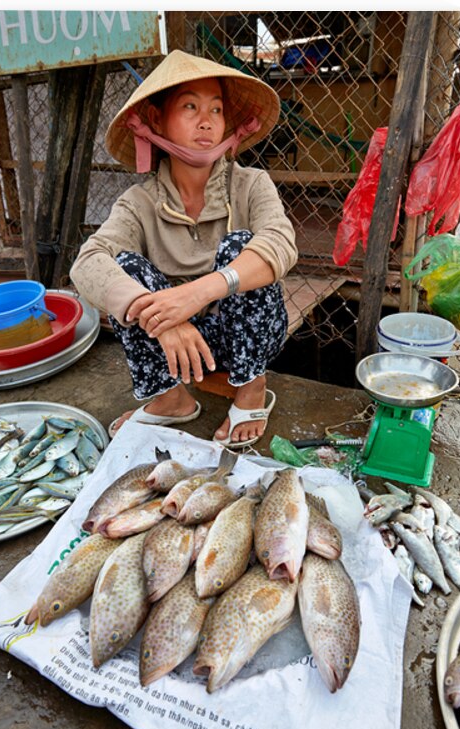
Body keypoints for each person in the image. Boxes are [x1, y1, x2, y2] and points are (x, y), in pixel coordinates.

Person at [70, 49, 298, 448]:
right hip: (176, 346)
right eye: (189, 106)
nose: (206, 121)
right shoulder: (138, 203)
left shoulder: (251, 184)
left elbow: (280, 242)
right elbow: (87, 264)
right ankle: (170, 398)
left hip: (247, 338)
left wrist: (197, 293)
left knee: (244, 246)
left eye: (215, 109)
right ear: (157, 120)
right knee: (125, 266)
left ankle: (251, 388)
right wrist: (166, 317)